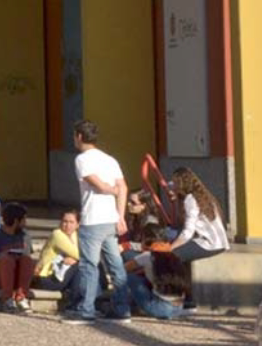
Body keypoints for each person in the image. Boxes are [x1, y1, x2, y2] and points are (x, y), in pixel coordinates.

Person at [63, 119, 130, 324]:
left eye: (75, 135)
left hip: (92, 219)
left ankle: (86, 310)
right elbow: (124, 187)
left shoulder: (82, 159)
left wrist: (111, 189)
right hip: (110, 219)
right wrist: (120, 216)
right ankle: (122, 309)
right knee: (116, 265)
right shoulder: (110, 159)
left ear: (80, 136)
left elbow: (98, 185)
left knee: (89, 265)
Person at [168, 166, 229, 311]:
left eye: (175, 184)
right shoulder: (203, 195)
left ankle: (173, 299)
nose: (173, 186)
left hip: (209, 243)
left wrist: (171, 247)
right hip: (218, 242)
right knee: (184, 260)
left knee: (171, 257)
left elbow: (188, 232)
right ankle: (188, 302)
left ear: (182, 184)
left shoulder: (190, 199)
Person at [123, 226, 188, 320]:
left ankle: (120, 307)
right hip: (178, 309)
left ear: (146, 240)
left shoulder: (147, 256)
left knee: (130, 277)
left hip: (159, 309)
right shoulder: (174, 256)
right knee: (143, 279)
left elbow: (122, 269)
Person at [0, 201, 35, 312]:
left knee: (27, 260)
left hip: (20, 276)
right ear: (16, 221)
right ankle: (7, 300)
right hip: (2, 275)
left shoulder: (25, 236)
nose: (26, 222)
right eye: (24, 219)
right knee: (7, 260)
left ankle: (21, 297)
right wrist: (0, 258)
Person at [34, 210, 82, 298]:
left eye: (71, 222)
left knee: (82, 266)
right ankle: (76, 302)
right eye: (65, 221)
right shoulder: (57, 234)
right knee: (81, 265)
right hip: (48, 278)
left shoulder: (75, 235)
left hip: (61, 275)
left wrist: (75, 259)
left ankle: (76, 300)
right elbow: (79, 255)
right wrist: (75, 260)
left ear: (78, 225)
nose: (67, 225)